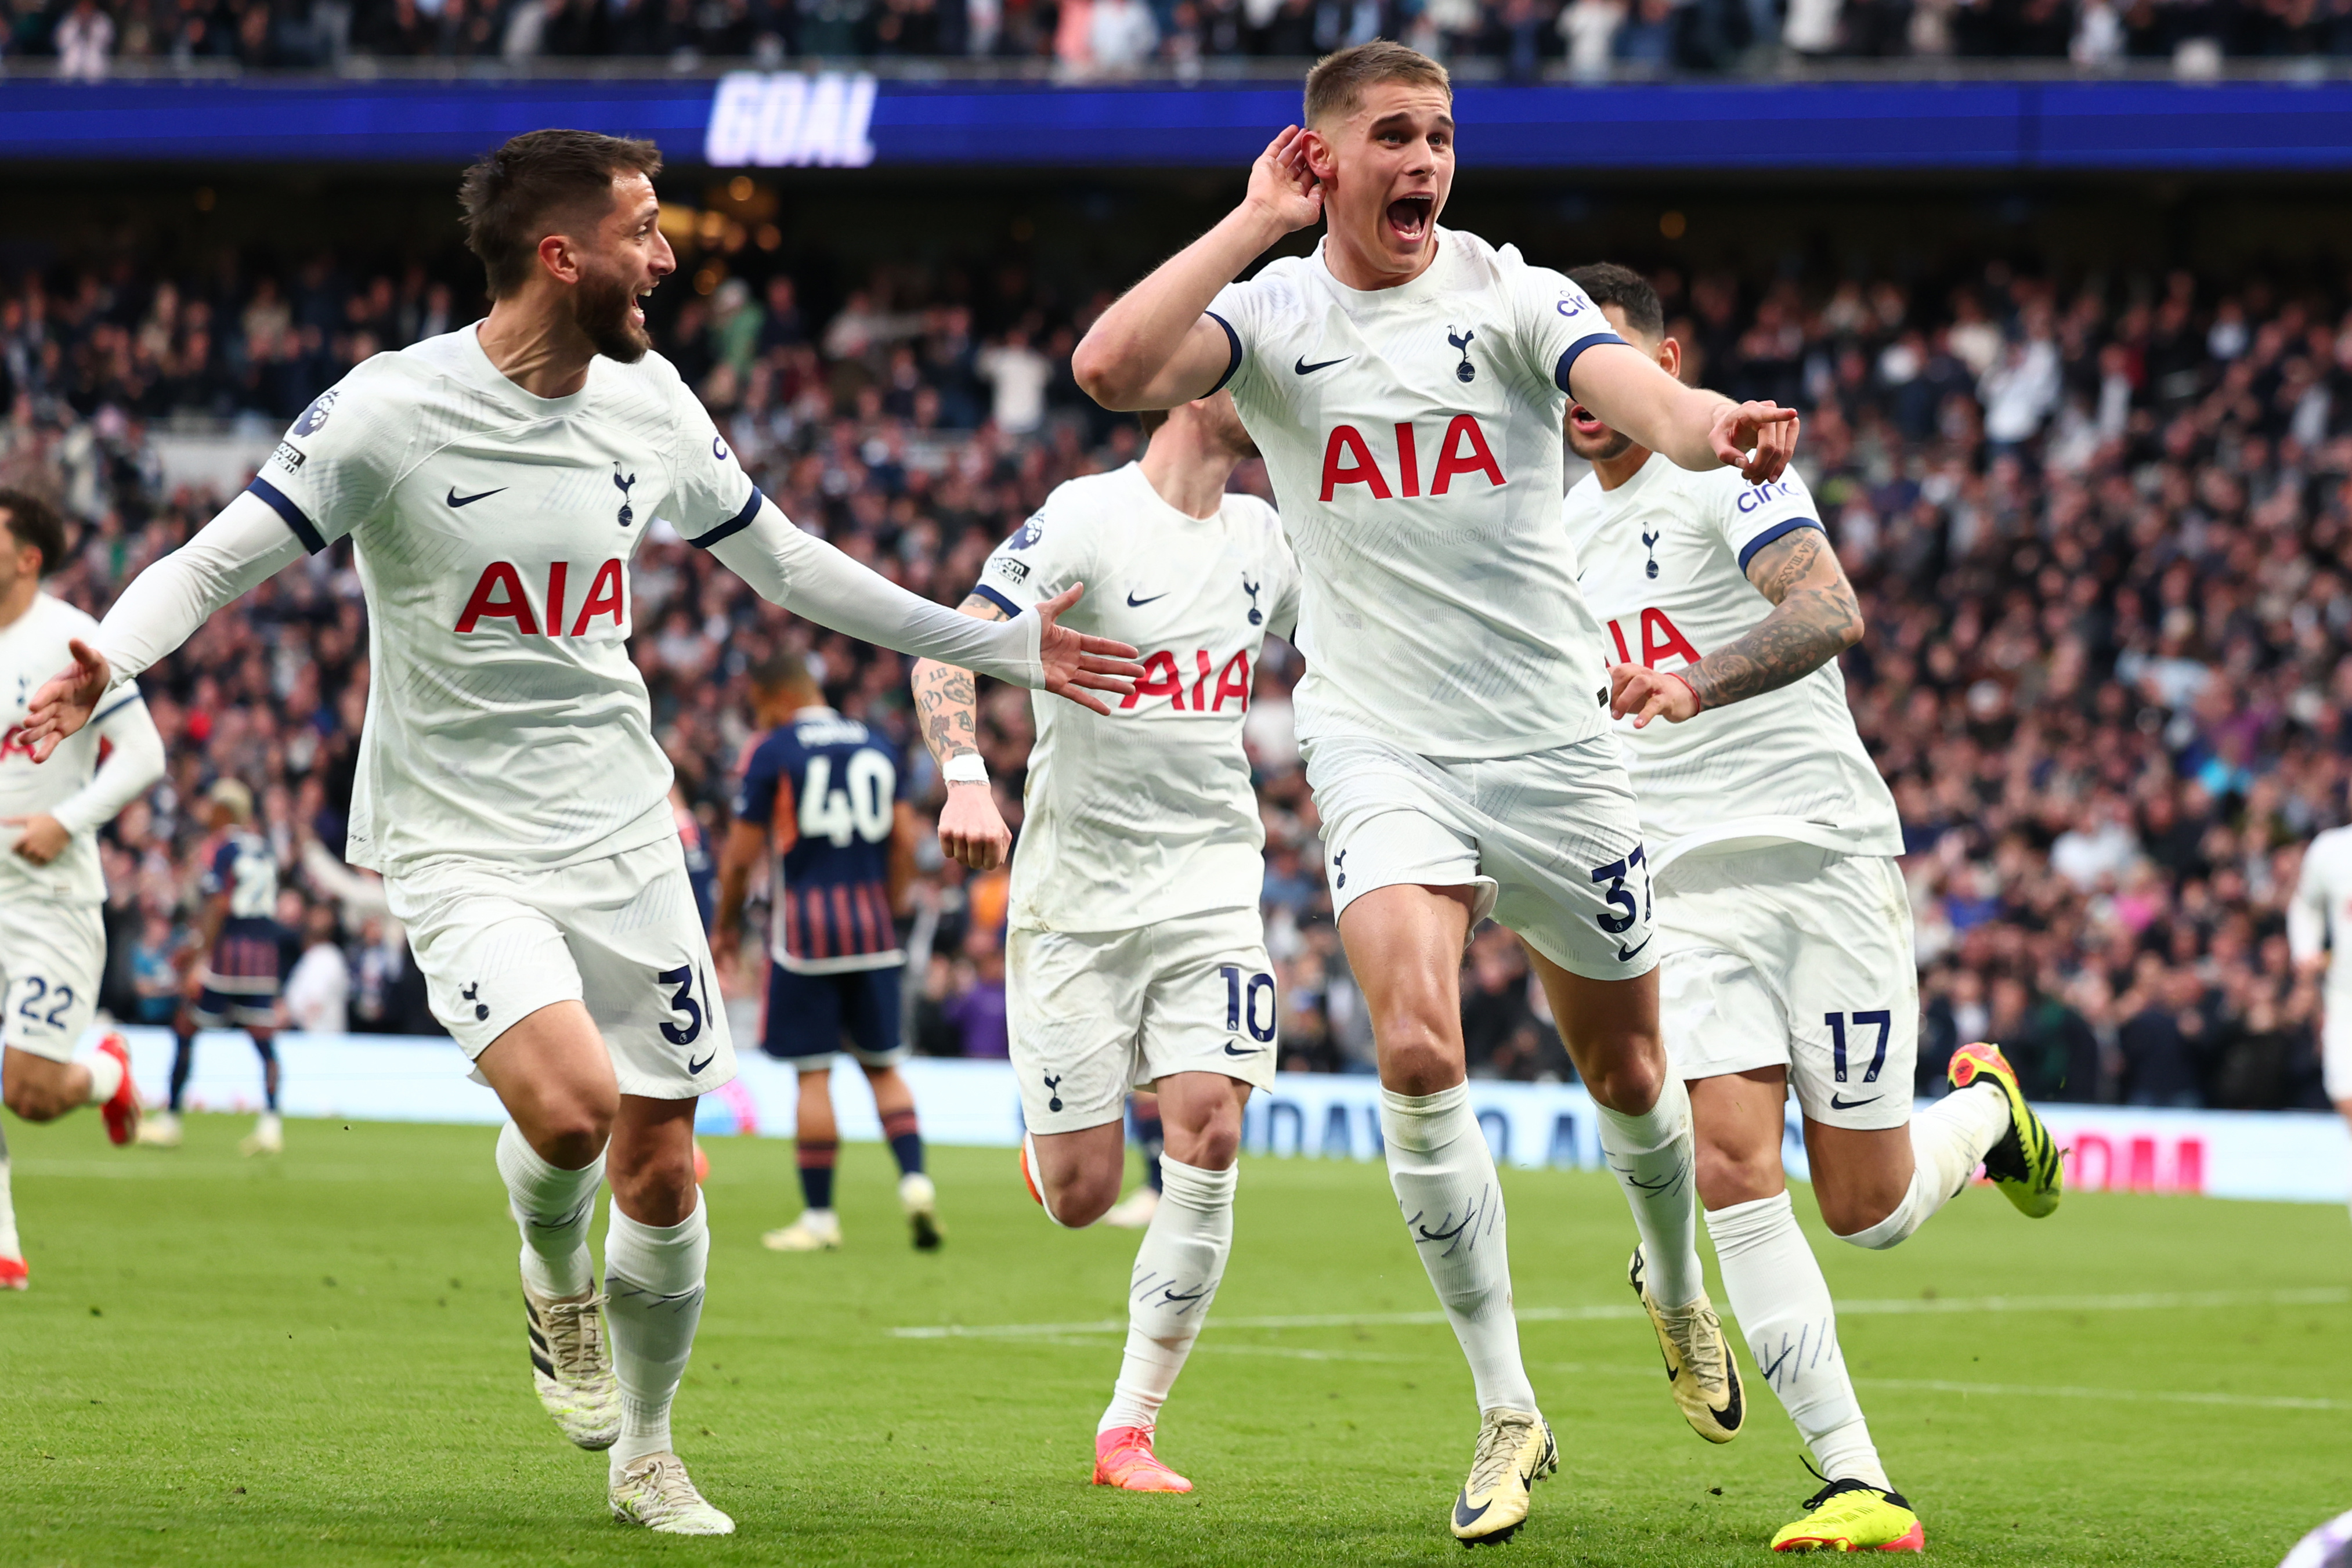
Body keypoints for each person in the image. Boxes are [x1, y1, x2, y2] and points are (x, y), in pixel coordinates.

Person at [20, 128, 1137, 1534]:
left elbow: (790, 564)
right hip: (455, 837)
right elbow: (212, 562)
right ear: (562, 256)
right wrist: (110, 656)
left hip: (621, 825)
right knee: (569, 1110)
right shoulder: (390, 409)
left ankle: (648, 1454)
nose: (667, 257)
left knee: (661, 1164)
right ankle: (553, 1270)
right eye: (645, 230)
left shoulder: (651, 401)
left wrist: (995, 645)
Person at [1068, 41, 1795, 1543]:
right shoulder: (1270, 314)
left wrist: (1713, 423)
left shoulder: (1514, 295)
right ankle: (1506, 1407)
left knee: (1629, 1072)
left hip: (1553, 749)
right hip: (1380, 744)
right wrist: (1250, 220)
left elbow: (1642, 401)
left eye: (1442, 137)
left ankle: (1671, 1279)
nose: (1425, 163)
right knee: (1412, 1046)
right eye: (1393, 136)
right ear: (1321, 157)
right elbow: (1110, 372)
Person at [1560, 262, 2064, 1553]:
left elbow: (1829, 607)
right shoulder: (1549, 535)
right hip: (1681, 887)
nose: (1584, 388)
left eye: (1608, 357)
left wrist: (1696, 681)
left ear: (1663, 365)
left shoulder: (1726, 470)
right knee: (1731, 1162)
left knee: (1867, 1209)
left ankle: (1985, 1112)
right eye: (1567, 363)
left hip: (1821, 857)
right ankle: (1858, 1483)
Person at [908, 389, 1298, 1494]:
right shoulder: (1086, 516)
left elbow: (1364, 650)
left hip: (1211, 886)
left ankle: (1128, 1428)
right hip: (1075, 900)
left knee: (1209, 1131)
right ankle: (1052, 1152)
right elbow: (941, 652)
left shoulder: (1267, 536)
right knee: (1083, 1193)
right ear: (1185, 383)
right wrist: (967, 781)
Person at [714, 653, 941, 1254]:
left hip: (804, 939)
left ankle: (819, 1217)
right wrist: (891, 905)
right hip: (873, 933)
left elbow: (740, 858)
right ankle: (916, 1182)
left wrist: (725, 927)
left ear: (775, 697)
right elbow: (904, 840)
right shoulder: (877, 742)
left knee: (813, 1075)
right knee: (883, 1067)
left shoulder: (774, 750)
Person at [0, 488, 165, 1292]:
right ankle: (4, 1242)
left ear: (28, 557)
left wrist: (65, 821)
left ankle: (106, 1071)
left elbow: (145, 754)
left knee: (29, 1093)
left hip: (48, 893)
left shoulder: (72, 639)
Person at [144, 778, 287, 1156]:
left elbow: (219, 905)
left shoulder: (222, 848)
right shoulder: (264, 847)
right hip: (262, 957)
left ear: (224, 811)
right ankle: (271, 1125)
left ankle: (171, 1120)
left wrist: (198, 955)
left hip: (229, 955)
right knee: (264, 1040)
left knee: (185, 1026)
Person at [2288, 823, 2352, 1224]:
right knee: (2346, 1098)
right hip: (2345, 997)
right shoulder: (2331, 850)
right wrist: (2306, 951)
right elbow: (2304, 903)